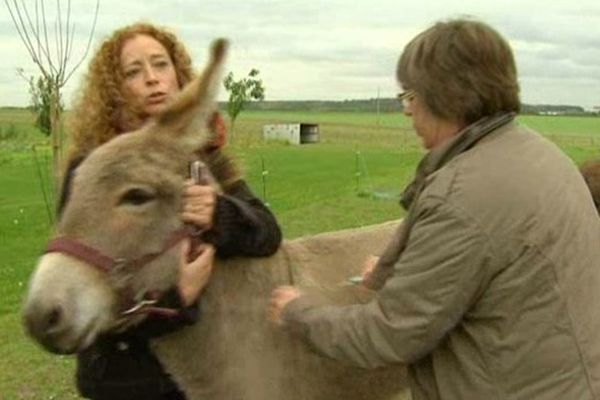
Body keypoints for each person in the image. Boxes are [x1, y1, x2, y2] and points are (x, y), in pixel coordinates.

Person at [269, 18, 600, 399]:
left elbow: (389, 334)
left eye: (410, 95)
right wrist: (411, 271)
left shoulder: (461, 197)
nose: (407, 111)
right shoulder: (539, 152)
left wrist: (298, 313)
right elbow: (496, 272)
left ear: (446, 96)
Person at [60, 22, 282, 400]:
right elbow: (81, 296)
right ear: (114, 91)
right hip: (128, 380)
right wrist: (174, 300)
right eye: (133, 71)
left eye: (160, 64)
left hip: (202, 374)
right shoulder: (92, 171)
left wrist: (219, 213)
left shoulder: (201, 160)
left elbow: (268, 234)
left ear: (178, 74)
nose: (152, 79)